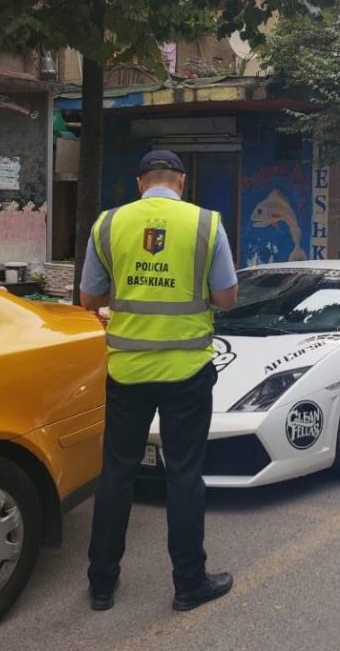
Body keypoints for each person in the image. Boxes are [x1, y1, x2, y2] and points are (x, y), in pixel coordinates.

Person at [78, 149, 239, 613]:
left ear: (139, 182)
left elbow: (90, 297)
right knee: (184, 476)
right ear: (182, 182)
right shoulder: (206, 224)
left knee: (117, 474)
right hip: (187, 371)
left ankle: (101, 585)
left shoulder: (108, 224)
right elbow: (226, 298)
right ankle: (189, 584)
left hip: (127, 370)